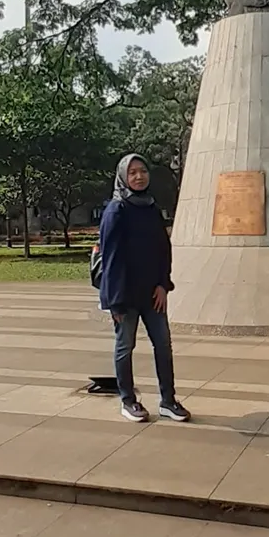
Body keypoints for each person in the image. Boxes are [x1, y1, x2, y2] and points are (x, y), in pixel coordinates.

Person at [96, 154, 191, 424]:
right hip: (126, 296)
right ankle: (128, 401)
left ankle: (168, 401)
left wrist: (163, 284)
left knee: (163, 345)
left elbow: (163, 250)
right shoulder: (116, 210)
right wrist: (114, 301)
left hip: (153, 295)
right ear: (123, 177)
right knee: (125, 346)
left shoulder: (151, 207)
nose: (139, 176)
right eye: (133, 172)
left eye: (143, 171)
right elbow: (111, 259)